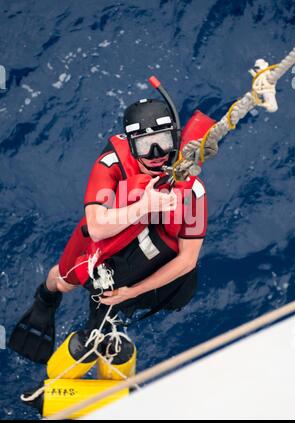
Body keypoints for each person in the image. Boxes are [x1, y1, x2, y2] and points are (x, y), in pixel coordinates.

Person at [9, 80, 217, 364]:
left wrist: (132, 292)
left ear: (175, 139)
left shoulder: (192, 192)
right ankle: (45, 298)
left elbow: (187, 260)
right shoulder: (111, 165)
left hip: (146, 253)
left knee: (117, 311)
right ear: (131, 146)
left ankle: (107, 328)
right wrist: (144, 205)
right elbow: (95, 226)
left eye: (163, 143)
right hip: (111, 232)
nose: (156, 155)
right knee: (66, 280)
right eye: (145, 146)